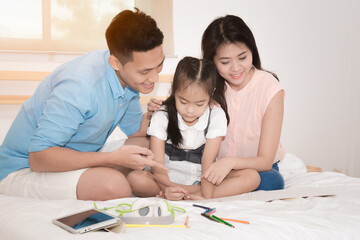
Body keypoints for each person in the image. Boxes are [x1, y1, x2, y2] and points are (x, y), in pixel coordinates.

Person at [0, 8, 169, 201]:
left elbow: (137, 130)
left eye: (159, 65)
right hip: (23, 169)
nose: (155, 77)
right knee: (114, 186)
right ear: (115, 62)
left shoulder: (126, 78)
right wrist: (112, 158)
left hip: (76, 158)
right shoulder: (79, 86)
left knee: (149, 145)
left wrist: (161, 113)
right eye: (145, 71)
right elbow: (38, 158)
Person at [127, 57, 260, 201]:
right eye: (183, 102)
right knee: (135, 179)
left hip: (202, 179)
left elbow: (208, 161)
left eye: (199, 104)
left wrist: (205, 196)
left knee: (252, 177)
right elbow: (158, 165)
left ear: (211, 94)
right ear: (173, 89)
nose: (190, 110)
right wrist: (168, 189)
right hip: (166, 180)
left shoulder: (216, 115)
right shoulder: (162, 114)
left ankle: (188, 194)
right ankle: (182, 194)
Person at [201, 15, 286, 191]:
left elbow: (265, 161)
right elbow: (181, 111)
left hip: (258, 170)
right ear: (212, 61)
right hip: (215, 169)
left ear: (252, 51)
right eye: (225, 62)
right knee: (191, 169)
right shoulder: (207, 87)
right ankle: (210, 188)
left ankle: (201, 191)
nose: (236, 68)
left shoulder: (270, 88)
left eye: (242, 57)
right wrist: (161, 109)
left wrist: (230, 162)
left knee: (273, 181)